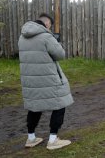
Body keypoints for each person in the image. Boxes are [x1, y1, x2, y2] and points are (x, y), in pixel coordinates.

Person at [18, 13, 73, 149]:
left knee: (35, 106)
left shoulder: (22, 37)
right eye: (50, 25)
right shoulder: (46, 37)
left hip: (30, 80)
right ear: (47, 23)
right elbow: (60, 55)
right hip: (49, 78)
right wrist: (56, 42)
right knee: (60, 104)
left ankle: (31, 138)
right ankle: (53, 140)